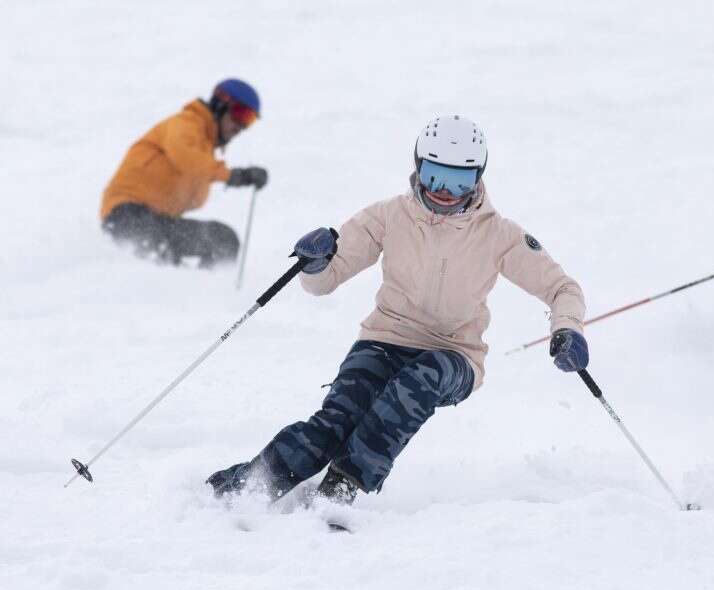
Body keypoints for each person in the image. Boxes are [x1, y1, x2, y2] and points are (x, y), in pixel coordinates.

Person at [206, 115, 589, 504]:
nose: (444, 191)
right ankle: (244, 488)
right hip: (383, 342)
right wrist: (317, 263)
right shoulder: (389, 217)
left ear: (478, 179)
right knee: (332, 426)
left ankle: (342, 487)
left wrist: (568, 328)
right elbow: (323, 282)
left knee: (416, 382)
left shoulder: (498, 235)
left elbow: (562, 288)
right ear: (418, 167)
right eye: (436, 176)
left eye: (459, 181)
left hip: (455, 356)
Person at [100, 78, 269, 266]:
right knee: (167, 258)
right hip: (126, 216)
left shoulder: (205, 150)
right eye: (240, 113)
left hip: (159, 223)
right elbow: (187, 158)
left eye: (249, 120)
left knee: (223, 240)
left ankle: (210, 291)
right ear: (221, 104)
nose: (241, 126)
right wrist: (234, 176)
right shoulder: (186, 124)